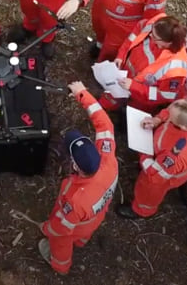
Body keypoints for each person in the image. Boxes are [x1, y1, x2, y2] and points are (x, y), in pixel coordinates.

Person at [39, 81, 118, 275]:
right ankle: (81, 241)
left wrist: (49, 229)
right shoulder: (108, 158)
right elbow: (104, 123)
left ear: (75, 165)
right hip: (96, 215)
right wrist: (82, 93)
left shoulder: (74, 200)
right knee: (86, 228)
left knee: (61, 241)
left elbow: (62, 226)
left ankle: (60, 265)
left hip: (76, 223)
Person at [115, 98, 187, 219]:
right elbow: (175, 108)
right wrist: (157, 119)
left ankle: (141, 210)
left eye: (171, 117)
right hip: (161, 158)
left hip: (162, 176)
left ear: (182, 126)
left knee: (149, 191)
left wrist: (144, 149)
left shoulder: (176, 156)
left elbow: (153, 173)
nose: (169, 114)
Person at [100, 13, 187, 114]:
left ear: (168, 43)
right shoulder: (154, 25)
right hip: (124, 77)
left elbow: (164, 95)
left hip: (142, 100)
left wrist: (134, 87)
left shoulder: (176, 69)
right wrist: (121, 56)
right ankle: (104, 109)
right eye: (151, 33)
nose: (150, 35)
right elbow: (132, 38)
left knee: (129, 117)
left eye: (155, 37)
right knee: (110, 98)